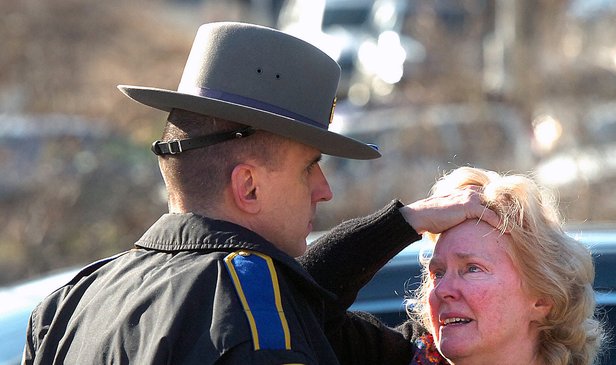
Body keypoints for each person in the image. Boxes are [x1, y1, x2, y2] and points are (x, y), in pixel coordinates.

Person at [22, 22, 493, 364]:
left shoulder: (70, 303)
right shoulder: (255, 309)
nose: (324, 190)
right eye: (311, 168)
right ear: (248, 186)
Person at [301, 166, 607, 365]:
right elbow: (293, 300)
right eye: (437, 273)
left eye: (472, 268)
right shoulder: (391, 357)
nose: (443, 290)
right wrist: (408, 220)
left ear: (542, 299)